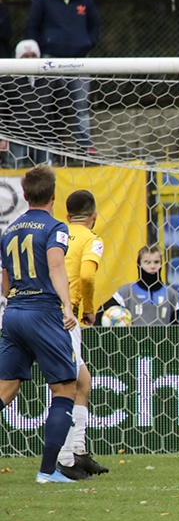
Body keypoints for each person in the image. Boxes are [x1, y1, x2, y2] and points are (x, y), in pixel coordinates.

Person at [0, 165, 80, 483]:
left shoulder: (9, 230)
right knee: (64, 389)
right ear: (54, 195)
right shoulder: (55, 227)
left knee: (5, 389)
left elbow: (5, 286)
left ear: (24, 194)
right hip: (43, 312)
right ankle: (47, 473)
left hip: (14, 312)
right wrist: (67, 304)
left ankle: (49, 472)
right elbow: (56, 264)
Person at [55, 189, 108, 479]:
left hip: (46, 311)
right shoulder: (92, 239)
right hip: (68, 317)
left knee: (82, 381)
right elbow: (87, 276)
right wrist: (89, 308)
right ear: (94, 217)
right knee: (67, 384)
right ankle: (64, 460)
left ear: (67, 216)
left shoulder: (58, 234)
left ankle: (78, 450)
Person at [25, 0, 100, 155]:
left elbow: (94, 24)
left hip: (80, 60)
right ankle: (52, 147)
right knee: (49, 105)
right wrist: (39, 49)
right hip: (50, 60)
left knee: (81, 106)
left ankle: (84, 148)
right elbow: (32, 26)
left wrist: (88, 42)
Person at [0, 40, 58, 168]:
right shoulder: (8, 80)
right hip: (17, 138)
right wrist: (3, 137)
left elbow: (58, 109)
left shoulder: (50, 80)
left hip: (44, 138)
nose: (30, 59)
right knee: (15, 173)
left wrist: (56, 136)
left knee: (44, 176)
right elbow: (3, 111)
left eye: (33, 55)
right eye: (25, 56)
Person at [106, 245, 179, 326]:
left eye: (156, 262)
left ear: (161, 264)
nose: (152, 266)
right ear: (139, 264)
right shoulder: (126, 292)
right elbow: (102, 315)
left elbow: (175, 329)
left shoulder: (171, 294)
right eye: (147, 262)